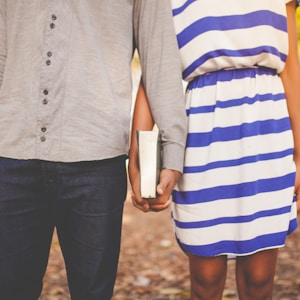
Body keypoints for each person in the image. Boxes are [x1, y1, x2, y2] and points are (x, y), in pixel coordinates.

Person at [0, 1, 187, 299]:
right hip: (10, 153)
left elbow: (160, 60)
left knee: (93, 294)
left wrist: (173, 151)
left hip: (95, 161)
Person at [129, 0, 300, 299]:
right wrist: (137, 157)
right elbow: (154, 76)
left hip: (268, 133)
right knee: (206, 279)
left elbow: (291, 70)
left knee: (259, 279)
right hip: (203, 136)